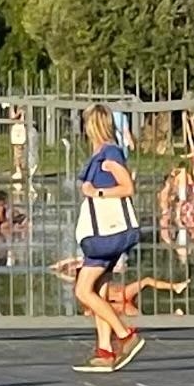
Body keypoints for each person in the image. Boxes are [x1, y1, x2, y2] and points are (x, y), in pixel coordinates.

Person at [63, 104, 143, 372]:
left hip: (105, 235)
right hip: (101, 234)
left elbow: (127, 187)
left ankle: (126, 335)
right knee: (100, 291)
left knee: (83, 290)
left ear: (93, 125)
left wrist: (96, 192)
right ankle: (105, 351)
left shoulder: (110, 153)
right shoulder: (99, 153)